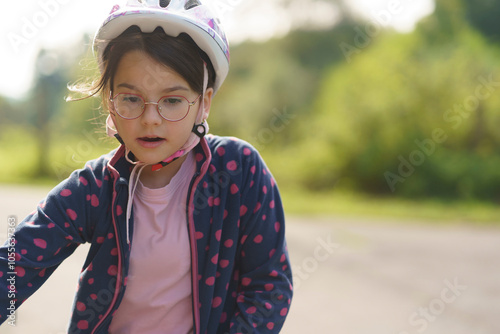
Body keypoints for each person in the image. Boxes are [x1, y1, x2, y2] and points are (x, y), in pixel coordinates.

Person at [0, 0, 293, 333]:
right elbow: (15, 265)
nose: (150, 119)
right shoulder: (95, 188)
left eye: (172, 100)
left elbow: (268, 286)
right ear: (109, 100)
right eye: (131, 98)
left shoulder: (239, 170)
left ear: (204, 103)